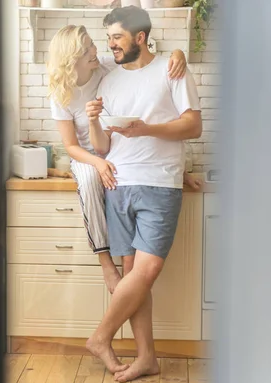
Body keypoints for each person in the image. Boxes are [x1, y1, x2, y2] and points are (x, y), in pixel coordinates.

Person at [46, 25, 201, 360]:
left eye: (101, 42)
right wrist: (99, 162)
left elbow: (147, 60)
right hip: (100, 162)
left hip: (125, 164)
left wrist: (177, 54)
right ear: (74, 55)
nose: (99, 47)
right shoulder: (62, 94)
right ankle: (106, 266)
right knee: (89, 181)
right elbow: (72, 146)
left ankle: (109, 341)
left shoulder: (105, 68)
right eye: (90, 45)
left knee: (140, 273)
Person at [84, 6, 202, 382]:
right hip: (117, 183)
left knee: (147, 269)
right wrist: (91, 122)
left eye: (116, 37)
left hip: (159, 182)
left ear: (139, 37)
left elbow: (192, 126)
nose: (110, 45)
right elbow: (103, 145)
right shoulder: (108, 80)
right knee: (135, 276)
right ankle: (147, 357)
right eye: (108, 39)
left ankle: (100, 337)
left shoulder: (172, 69)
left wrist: (146, 129)